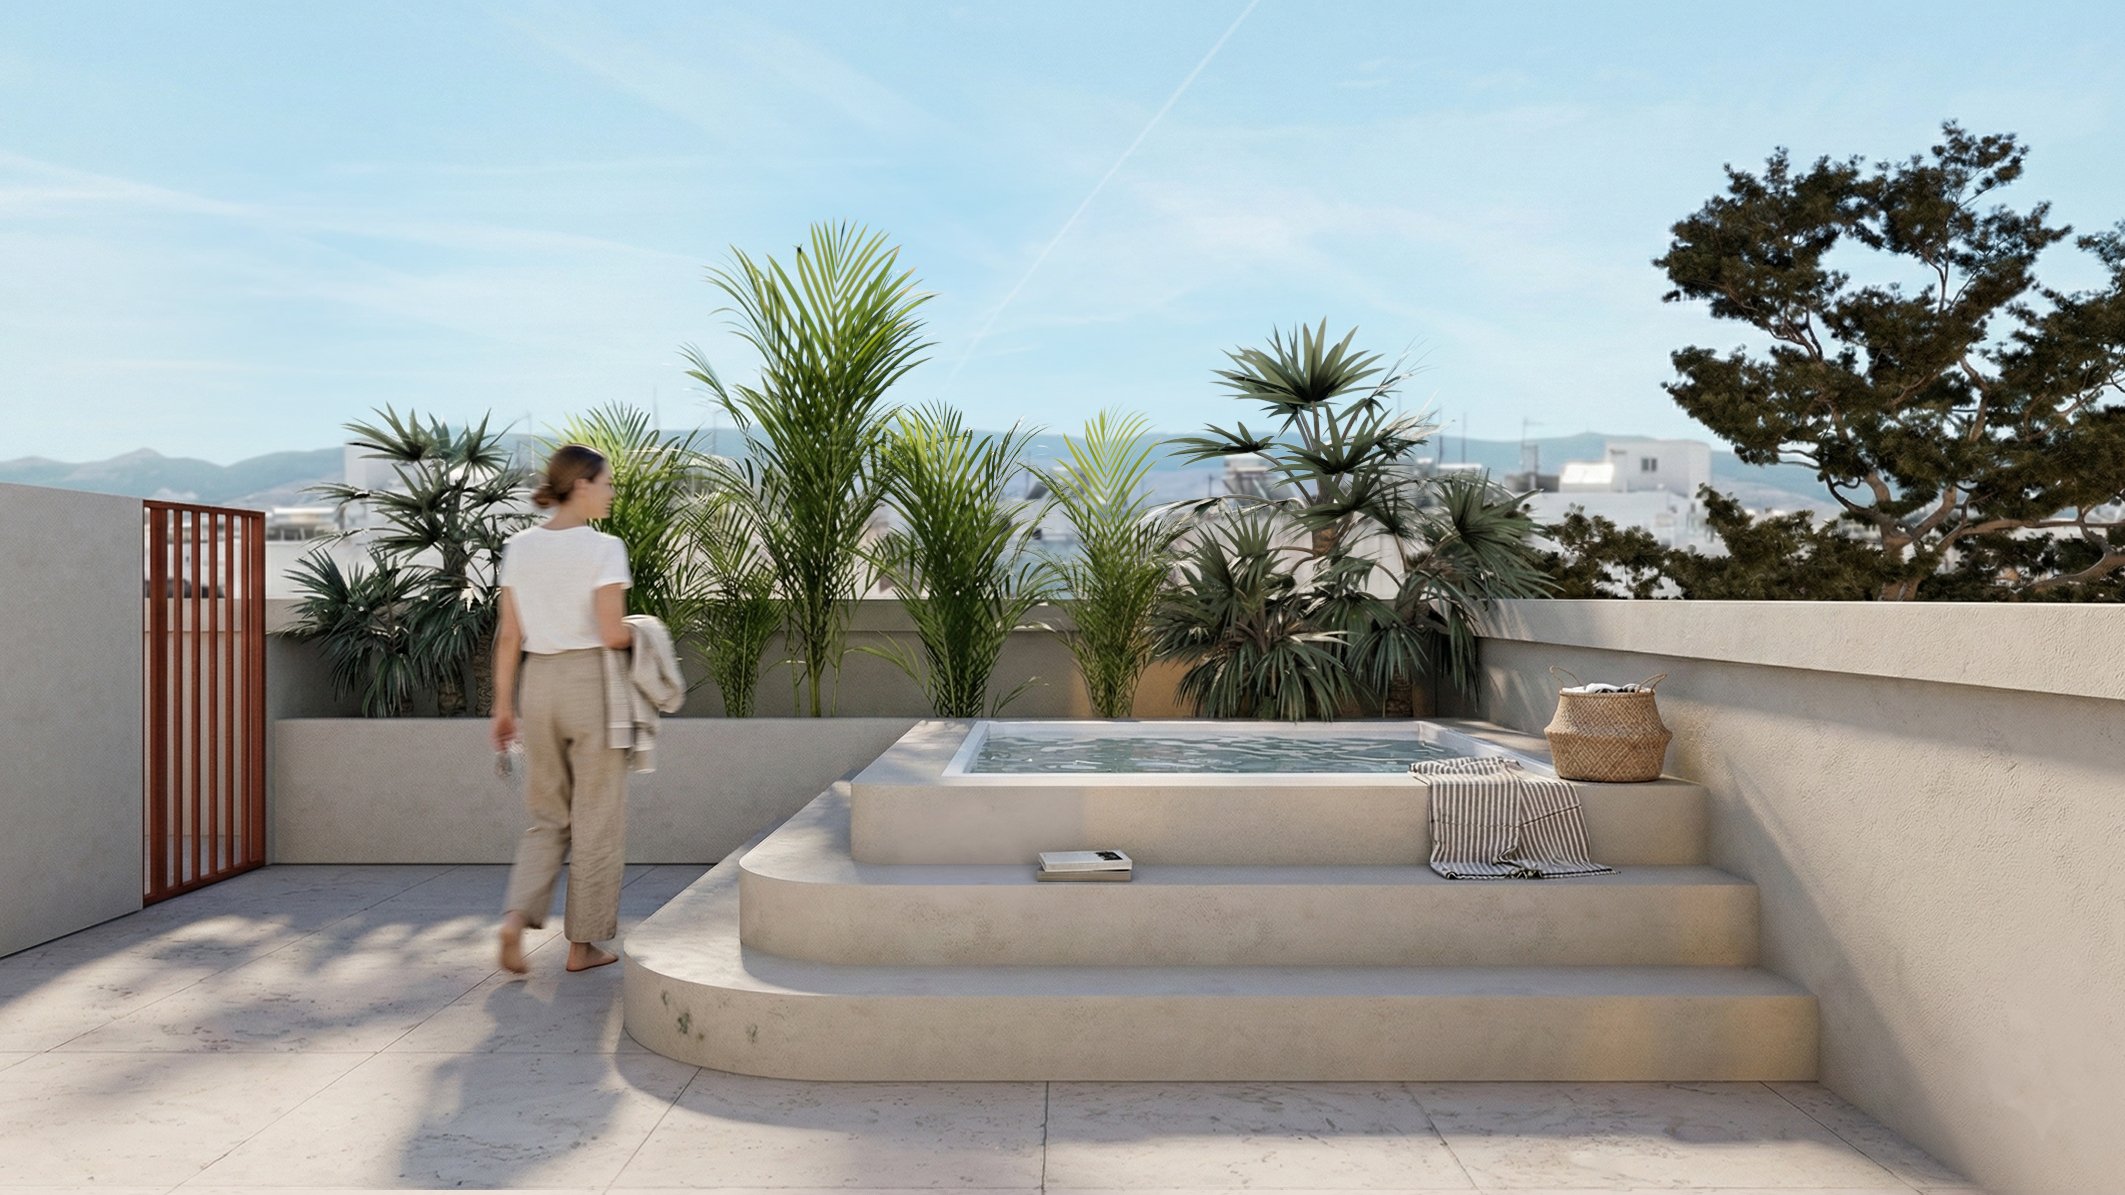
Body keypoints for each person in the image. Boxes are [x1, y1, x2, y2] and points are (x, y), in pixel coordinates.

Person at [491, 444, 634, 975]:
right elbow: (613, 632)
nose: (611, 492)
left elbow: (509, 635)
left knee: (546, 816)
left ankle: (513, 921)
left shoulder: (519, 547)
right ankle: (583, 946)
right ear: (581, 485)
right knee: (598, 818)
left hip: (538, 684)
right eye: (606, 483)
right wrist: (647, 637)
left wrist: (503, 709)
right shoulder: (604, 548)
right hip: (590, 684)